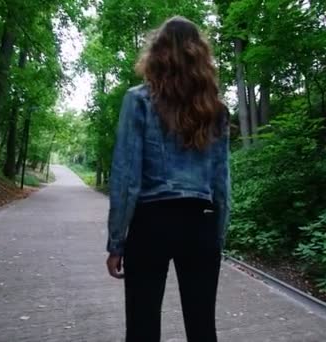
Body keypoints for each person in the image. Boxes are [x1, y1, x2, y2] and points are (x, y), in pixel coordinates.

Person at [105, 16, 231, 342]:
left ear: (157, 52)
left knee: (142, 327)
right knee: (203, 327)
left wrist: (117, 242)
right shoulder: (215, 110)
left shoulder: (138, 101)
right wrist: (217, 237)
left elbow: (125, 177)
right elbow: (221, 184)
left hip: (151, 224)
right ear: (200, 55)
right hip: (200, 223)